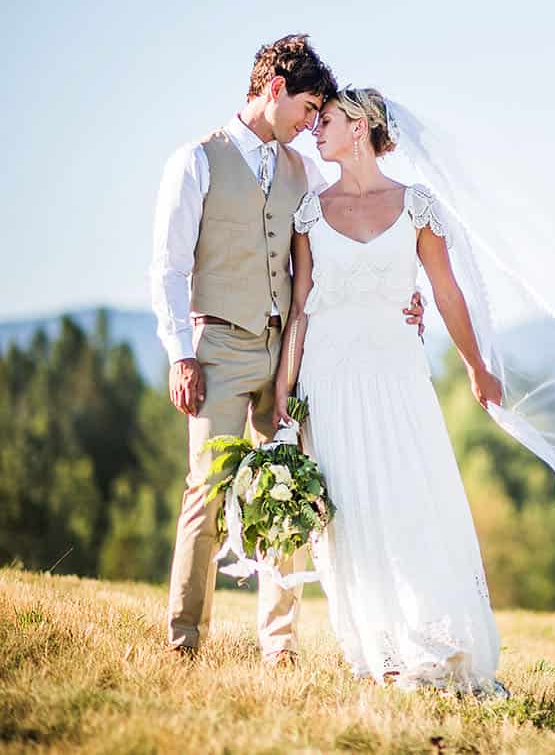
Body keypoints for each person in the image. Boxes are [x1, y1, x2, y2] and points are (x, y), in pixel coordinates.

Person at [149, 36, 425, 667]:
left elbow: (338, 251)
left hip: (285, 355)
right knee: (207, 488)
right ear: (273, 87)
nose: (310, 123)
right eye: (306, 107)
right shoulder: (195, 161)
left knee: (285, 488)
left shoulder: (301, 171)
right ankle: (185, 639)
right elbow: (166, 268)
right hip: (216, 344)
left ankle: (279, 645)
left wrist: (401, 302)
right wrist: (179, 353)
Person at [276, 87, 506, 694]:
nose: (314, 130)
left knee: (410, 497)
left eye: (325, 121)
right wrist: (284, 390)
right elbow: (300, 309)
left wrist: (477, 365)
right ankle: (383, 653)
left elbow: (445, 291)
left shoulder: (416, 206)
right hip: (328, 378)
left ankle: (435, 638)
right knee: (351, 510)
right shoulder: (308, 211)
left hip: (399, 375)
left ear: (359, 128)